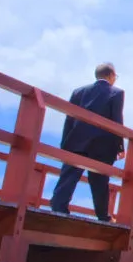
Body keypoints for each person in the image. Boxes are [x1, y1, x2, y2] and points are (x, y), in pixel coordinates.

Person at [50, 63, 125, 222]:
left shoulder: (78, 91)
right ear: (111, 75)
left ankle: (58, 207)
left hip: (76, 140)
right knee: (99, 181)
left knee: (69, 176)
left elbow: (69, 118)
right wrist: (120, 146)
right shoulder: (116, 93)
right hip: (102, 144)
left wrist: (65, 142)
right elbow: (117, 121)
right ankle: (103, 216)